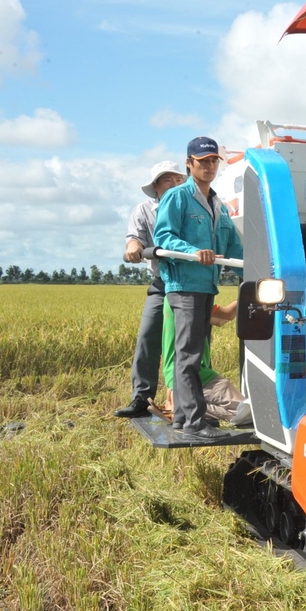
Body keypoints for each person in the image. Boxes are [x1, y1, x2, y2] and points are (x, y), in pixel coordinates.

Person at [154, 136, 244, 440]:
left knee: (192, 352)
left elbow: (233, 245)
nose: (208, 166)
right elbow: (164, 237)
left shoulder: (218, 205)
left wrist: (259, 269)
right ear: (189, 164)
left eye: (213, 161)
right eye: (202, 161)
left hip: (207, 286)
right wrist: (195, 251)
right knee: (189, 354)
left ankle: (182, 416)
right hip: (184, 285)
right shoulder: (177, 197)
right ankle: (195, 421)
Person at [113, 161, 186, 418]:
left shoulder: (193, 206)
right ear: (156, 186)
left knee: (191, 343)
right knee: (148, 337)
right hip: (162, 284)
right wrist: (134, 246)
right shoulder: (144, 210)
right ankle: (141, 398)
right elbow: (135, 237)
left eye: (178, 179)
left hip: (190, 283)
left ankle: (190, 401)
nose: (174, 184)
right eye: (168, 180)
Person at [153, 299, 251, 427]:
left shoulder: (172, 298)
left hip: (176, 373)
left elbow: (218, 320)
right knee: (247, 412)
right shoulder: (191, 300)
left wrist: (172, 388)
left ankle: (183, 403)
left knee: (245, 410)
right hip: (198, 374)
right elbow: (226, 316)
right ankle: (183, 408)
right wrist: (250, 294)